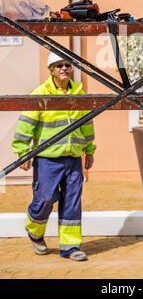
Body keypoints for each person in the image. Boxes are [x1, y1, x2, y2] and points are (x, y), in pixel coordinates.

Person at [12, 52, 96, 261]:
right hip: (48, 159)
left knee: (72, 203)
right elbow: (25, 126)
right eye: (59, 66)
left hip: (73, 158)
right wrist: (23, 152)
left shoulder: (79, 94)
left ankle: (70, 247)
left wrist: (89, 151)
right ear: (51, 70)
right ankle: (34, 231)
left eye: (67, 65)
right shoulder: (40, 94)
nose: (64, 68)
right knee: (45, 199)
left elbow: (87, 125)